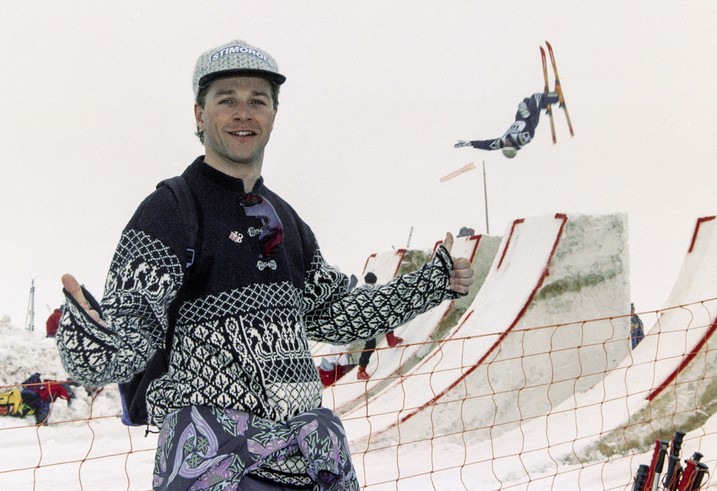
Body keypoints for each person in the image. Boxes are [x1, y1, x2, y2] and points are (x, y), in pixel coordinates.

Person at [55, 39, 474, 490]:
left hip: (305, 462)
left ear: (274, 115)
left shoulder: (286, 220)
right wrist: (92, 336)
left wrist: (433, 283)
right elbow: (129, 335)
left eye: (258, 100)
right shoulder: (171, 209)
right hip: (213, 464)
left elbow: (335, 313)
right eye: (227, 99)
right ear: (199, 114)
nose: (243, 112)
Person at [454, 91, 560, 158]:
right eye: (510, 145)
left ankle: (545, 104)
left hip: (518, 118)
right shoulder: (521, 140)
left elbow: (486, 145)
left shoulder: (502, 142)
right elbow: (531, 129)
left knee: (526, 100)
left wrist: (469, 143)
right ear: (514, 147)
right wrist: (526, 114)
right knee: (535, 97)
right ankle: (557, 97)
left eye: (506, 145)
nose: (507, 143)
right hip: (530, 117)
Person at [356, 272, 404, 381]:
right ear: (375, 280)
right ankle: (391, 339)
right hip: (377, 317)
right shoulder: (380, 288)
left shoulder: (359, 291)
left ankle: (361, 370)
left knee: (370, 345)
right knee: (388, 320)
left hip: (366, 321)